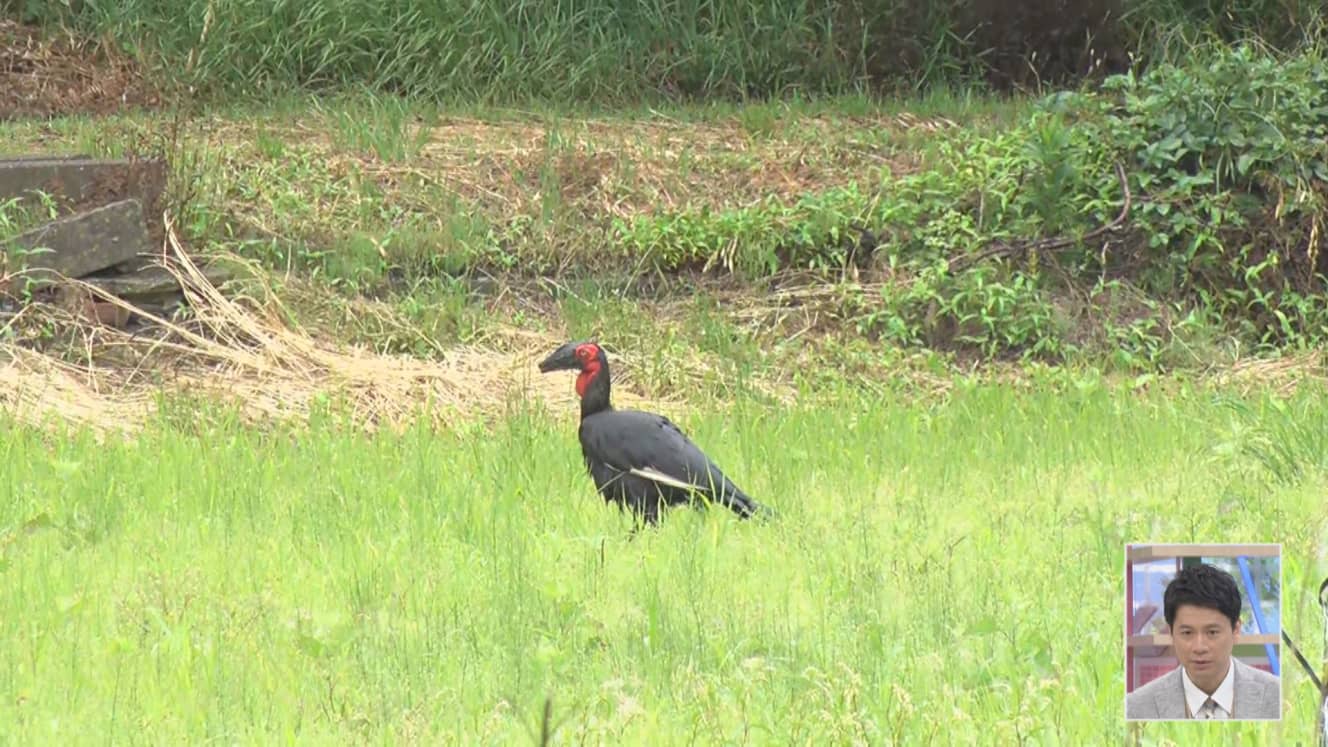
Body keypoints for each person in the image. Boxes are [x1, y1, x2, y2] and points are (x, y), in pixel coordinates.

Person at [1126, 562, 1281, 720]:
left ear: (1236, 630)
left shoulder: (1279, 698)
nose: (1199, 647)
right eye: (1187, 633)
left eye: (1212, 632)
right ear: (1171, 633)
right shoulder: (1137, 708)